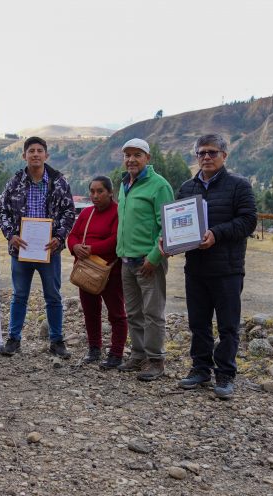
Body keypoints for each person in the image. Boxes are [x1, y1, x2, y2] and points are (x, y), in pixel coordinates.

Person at [171, 134, 257, 399]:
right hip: (196, 269)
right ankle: (200, 369)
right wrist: (169, 239)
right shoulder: (187, 188)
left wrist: (216, 234)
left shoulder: (239, 186)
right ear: (196, 156)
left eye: (212, 152)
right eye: (201, 153)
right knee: (198, 323)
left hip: (227, 269)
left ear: (224, 155)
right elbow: (176, 223)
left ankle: (226, 374)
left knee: (228, 326)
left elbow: (248, 221)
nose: (206, 157)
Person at [0, 136, 75, 357]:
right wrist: (11, 235)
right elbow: (2, 212)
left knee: (53, 296)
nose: (35, 154)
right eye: (31, 150)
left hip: (49, 250)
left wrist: (59, 238)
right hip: (20, 250)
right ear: (24, 155)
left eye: (39, 150)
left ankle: (57, 341)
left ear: (46, 155)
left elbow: (69, 213)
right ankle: (13, 339)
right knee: (19, 295)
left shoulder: (59, 182)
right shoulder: (14, 182)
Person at [115, 138, 174, 381]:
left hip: (149, 262)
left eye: (137, 154)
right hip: (126, 260)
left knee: (153, 313)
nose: (131, 159)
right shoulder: (124, 184)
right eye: (127, 155)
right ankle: (138, 354)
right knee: (133, 312)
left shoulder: (159, 185)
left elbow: (168, 227)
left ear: (147, 158)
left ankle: (156, 360)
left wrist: (154, 257)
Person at [67, 176, 128, 369]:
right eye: (92, 191)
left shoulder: (118, 212)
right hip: (86, 270)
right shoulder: (86, 213)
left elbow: (115, 240)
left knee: (116, 314)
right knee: (90, 311)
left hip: (110, 271)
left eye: (100, 191)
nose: (95, 195)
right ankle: (94, 348)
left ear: (110, 192)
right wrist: (75, 246)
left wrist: (91, 249)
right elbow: (73, 235)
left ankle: (116, 353)